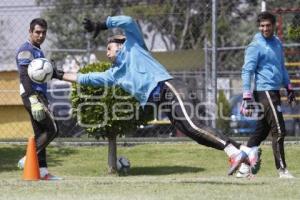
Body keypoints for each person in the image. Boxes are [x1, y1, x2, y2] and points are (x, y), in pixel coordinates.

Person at [52, 15, 261, 176]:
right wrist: (58, 74)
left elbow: (128, 21)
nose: (106, 53)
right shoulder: (114, 74)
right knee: (194, 133)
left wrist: (102, 24)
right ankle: (246, 150)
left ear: (121, 43)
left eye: (109, 48)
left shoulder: (134, 46)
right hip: (162, 101)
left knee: (195, 124)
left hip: (169, 87)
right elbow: (86, 78)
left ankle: (234, 154)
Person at [238, 11, 296, 178]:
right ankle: (282, 170)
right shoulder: (255, 46)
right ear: (259, 27)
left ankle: (243, 167)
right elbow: (247, 71)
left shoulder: (277, 43)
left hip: (275, 91)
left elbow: (282, 67)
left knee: (261, 131)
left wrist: (289, 87)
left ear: (274, 26)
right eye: (262, 26)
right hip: (264, 91)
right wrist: (247, 96)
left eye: (268, 25)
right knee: (279, 130)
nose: (265, 28)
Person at [16, 18, 62, 180]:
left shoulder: (38, 50)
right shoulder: (26, 50)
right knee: (53, 129)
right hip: (32, 96)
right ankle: (28, 158)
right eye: (37, 32)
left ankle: (42, 172)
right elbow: (24, 77)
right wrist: (33, 99)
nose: (41, 35)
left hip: (39, 95)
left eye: (43, 32)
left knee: (41, 133)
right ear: (30, 32)